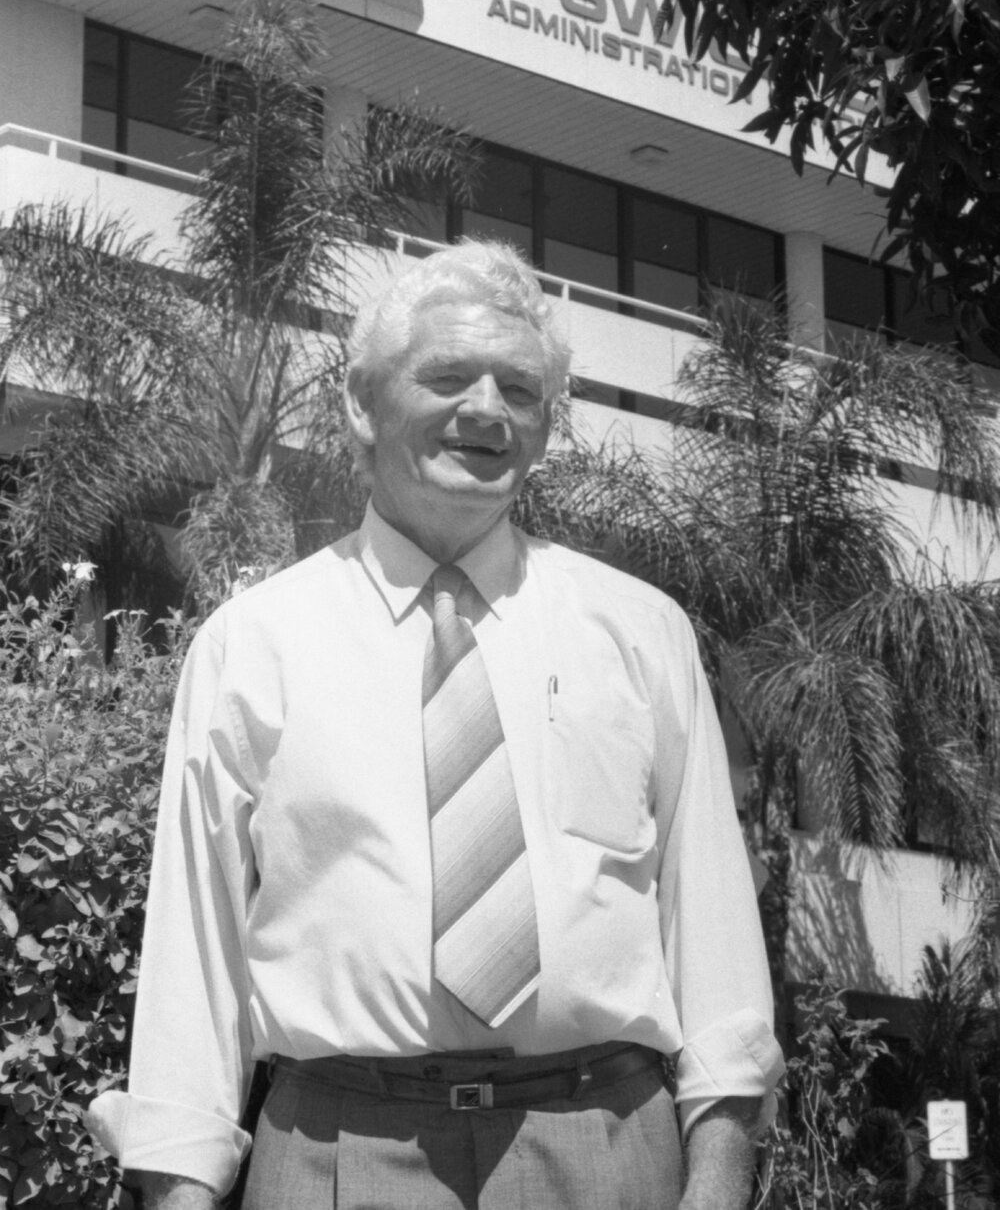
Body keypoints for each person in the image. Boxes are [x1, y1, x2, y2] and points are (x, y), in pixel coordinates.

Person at [88, 239, 783, 1209]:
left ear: (546, 424)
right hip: (338, 1155)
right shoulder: (254, 644)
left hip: (606, 1148)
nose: (487, 410)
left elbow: (713, 939)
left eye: (521, 388)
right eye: (449, 376)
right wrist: (179, 1189)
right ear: (360, 404)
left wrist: (717, 1179)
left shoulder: (639, 632)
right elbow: (191, 957)